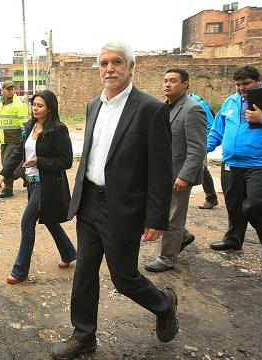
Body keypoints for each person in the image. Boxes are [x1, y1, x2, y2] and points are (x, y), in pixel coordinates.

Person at [51, 41, 178, 359]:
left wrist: (156, 217)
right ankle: (84, 336)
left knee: (123, 277)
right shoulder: (94, 105)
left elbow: (161, 170)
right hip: (90, 201)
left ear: (131, 67)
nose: (110, 68)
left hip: (123, 207)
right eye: (104, 63)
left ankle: (164, 304)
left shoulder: (150, 109)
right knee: (84, 272)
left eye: (118, 62)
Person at [0, 90, 77, 284]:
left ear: (50, 108)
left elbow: (66, 161)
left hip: (47, 185)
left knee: (27, 222)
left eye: (40, 106)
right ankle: (68, 253)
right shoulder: (31, 126)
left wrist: (39, 161)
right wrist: (4, 172)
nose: (35, 109)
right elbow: (18, 152)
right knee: (49, 219)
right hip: (32, 184)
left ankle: (20, 271)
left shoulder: (58, 129)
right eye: (34, 105)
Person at [144, 68, 206, 273]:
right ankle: (184, 236)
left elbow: (198, 148)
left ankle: (167, 258)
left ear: (185, 84)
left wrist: (185, 176)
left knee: (173, 217)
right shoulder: (165, 107)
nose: (167, 84)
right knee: (163, 212)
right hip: (162, 173)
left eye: (173, 81)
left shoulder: (193, 109)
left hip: (179, 174)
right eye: (165, 80)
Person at [207, 65, 262, 261]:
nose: (242, 88)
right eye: (238, 85)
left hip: (260, 163)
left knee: (255, 204)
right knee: (233, 204)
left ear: (259, 80)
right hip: (231, 163)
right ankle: (233, 238)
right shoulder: (231, 101)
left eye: (247, 84)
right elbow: (217, 130)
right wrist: (203, 149)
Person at [0, 80, 30, 198]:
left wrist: (26, 137)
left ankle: (8, 189)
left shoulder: (19, 104)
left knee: (7, 164)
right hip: (4, 139)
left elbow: (25, 122)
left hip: (15, 139)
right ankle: (24, 175)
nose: (10, 91)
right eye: (8, 89)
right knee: (7, 163)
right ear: (2, 90)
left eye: (12, 89)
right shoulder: (1, 104)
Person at [189, 93, 219, 210]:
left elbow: (211, 125)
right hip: (188, 142)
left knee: (201, 168)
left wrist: (204, 146)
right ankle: (212, 198)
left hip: (198, 143)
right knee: (200, 169)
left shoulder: (199, 103)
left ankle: (211, 198)